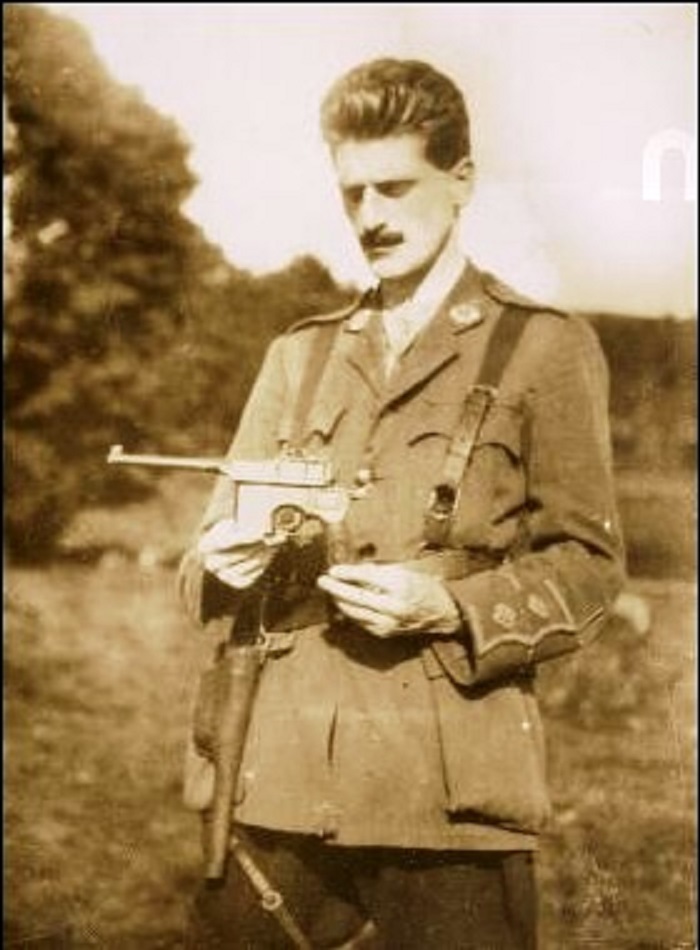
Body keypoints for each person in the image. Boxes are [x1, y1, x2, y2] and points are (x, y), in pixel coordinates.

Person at [178, 57, 625, 949]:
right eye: (352, 193)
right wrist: (222, 560)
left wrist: (451, 607)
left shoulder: (542, 349)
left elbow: (590, 566)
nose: (370, 217)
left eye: (395, 187)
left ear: (460, 181)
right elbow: (201, 561)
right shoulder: (298, 357)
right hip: (279, 780)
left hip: (447, 796)